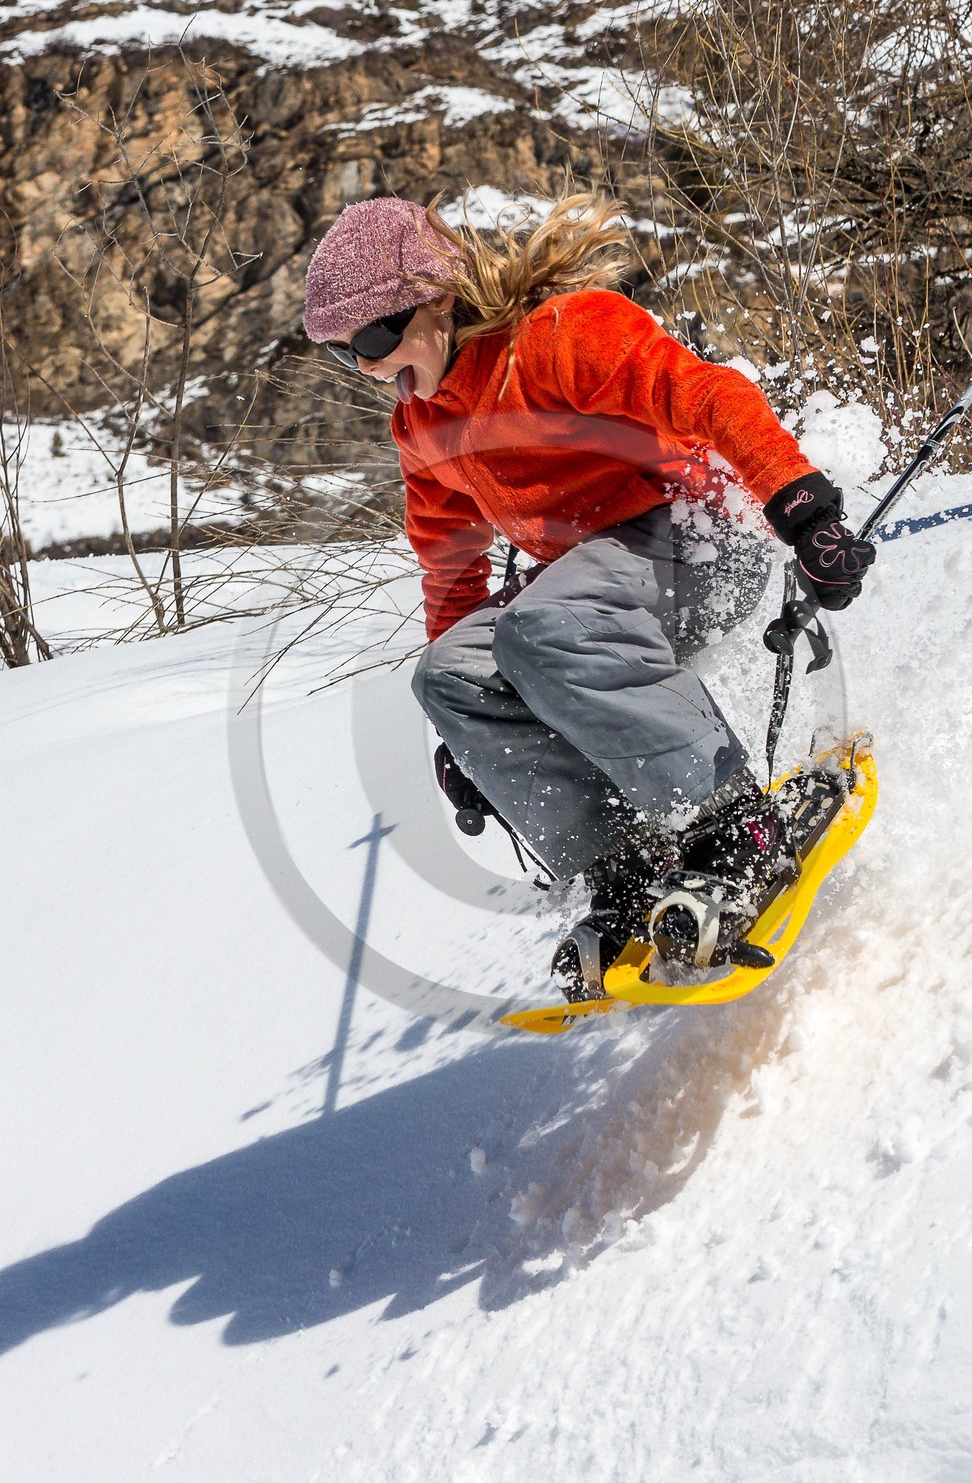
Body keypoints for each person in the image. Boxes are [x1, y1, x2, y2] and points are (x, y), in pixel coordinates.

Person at [303, 193, 876, 998]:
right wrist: (474, 731)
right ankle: (627, 868)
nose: (364, 365)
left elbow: (710, 395)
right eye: (342, 352)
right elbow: (451, 569)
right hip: (593, 583)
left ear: (435, 298)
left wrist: (804, 511)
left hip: (701, 536)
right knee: (449, 675)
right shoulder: (423, 427)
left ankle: (734, 829)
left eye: (371, 337)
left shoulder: (559, 337)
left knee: (547, 622)